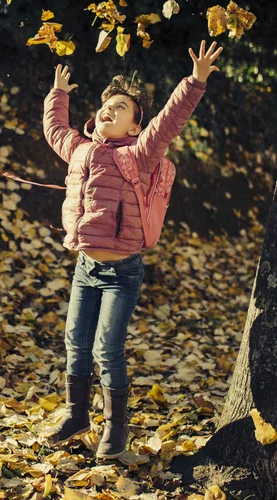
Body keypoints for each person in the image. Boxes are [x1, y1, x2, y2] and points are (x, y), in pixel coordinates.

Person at [42, 40, 223, 459]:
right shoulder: (80, 148)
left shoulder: (140, 155)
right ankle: (75, 414)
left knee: (107, 348)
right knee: (76, 343)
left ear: (134, 127)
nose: (109, 110)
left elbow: (168, 123)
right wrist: (60, 94)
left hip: (123, 272)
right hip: (85, 268)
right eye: (107, 105)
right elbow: (54, 130)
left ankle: (116, 427)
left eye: (120, 108)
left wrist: (194, 82)